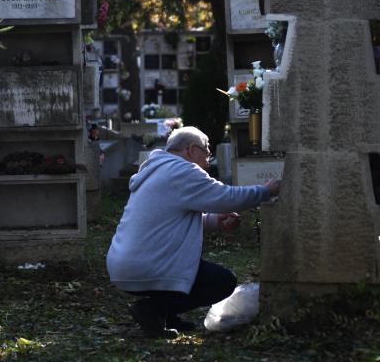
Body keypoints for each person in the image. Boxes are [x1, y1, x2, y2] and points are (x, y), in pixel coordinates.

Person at [107, 126, 280, 338]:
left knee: (193, 270)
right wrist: (264, 191)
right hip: (147, 265)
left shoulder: (157, 169)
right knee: (222, 281)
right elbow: (226, 197)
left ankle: (166, 314)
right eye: (206, 151)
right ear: (191, 149)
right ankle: (152, 310)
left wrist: (215, 221)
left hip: (126, 265)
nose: (209, 159)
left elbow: (174, 218)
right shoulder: (182, 170)